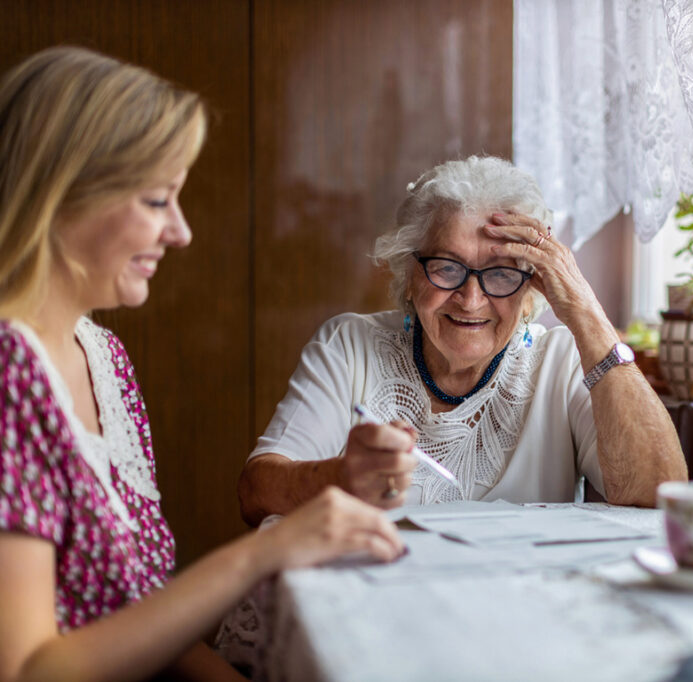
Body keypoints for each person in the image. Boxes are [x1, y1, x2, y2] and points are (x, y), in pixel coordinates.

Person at [0, 46, 404, 682]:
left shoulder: (103, 357)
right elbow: (29, 669)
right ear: (64, 194)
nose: (182, 232)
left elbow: (140, 617)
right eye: (158, 201)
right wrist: (263, 553)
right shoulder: (8, 372)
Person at [238, 155, 687, 523]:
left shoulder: (563, 362)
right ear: (410, 275)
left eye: (501, 273)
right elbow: (255, 493)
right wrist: (339, 477)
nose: (471, 300)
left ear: (534, 286)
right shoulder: (350, 345)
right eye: (448, 268)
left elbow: (662, 496)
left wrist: (586, 313)